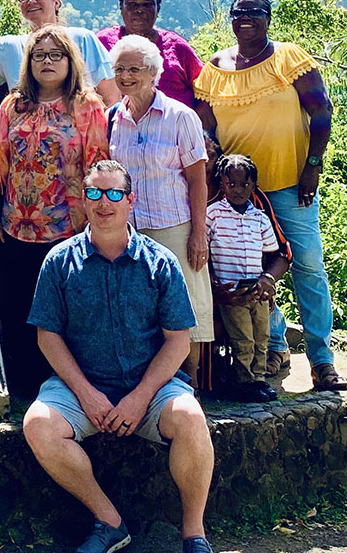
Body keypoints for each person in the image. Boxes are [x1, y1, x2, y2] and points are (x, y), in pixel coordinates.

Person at [22, 160, 214, 553]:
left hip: (150, 388)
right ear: (83, 200)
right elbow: (48, 336)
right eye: (94, 192)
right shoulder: (59, 262)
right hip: (81, 387)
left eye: (113, 194)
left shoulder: (160, 262)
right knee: (37, 424)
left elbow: (178, 341)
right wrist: (87, 394)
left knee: (192, 419)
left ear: (130, 201)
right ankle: (109, 522)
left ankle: (194, 534)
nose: (103, 202)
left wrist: (141, 396)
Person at [194, 0, 347, 391]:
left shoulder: (289, 59)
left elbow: (321, 111)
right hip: (238, 194)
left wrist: (312, 167)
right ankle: (275, 346)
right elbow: (206, 126)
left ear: (268, 18)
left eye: (255, 13)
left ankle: (321, 361)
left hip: (289, 185)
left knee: (308, 266)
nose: (246, 19)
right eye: (238, 13)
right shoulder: (215, 68)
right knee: (248, 269)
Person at [0, 23, 108, 396]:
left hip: (69, 227)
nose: (47, 62)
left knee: (65, 308)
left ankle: (65, 383)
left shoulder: (87, 106)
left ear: (71, 62)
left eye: (56, 55)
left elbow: (97, 164)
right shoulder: (13, 105)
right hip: (17, 225)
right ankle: (21, 382)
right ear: (28, 63)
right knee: (19, 302)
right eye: (39, 56)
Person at [107, 35, 212, 382]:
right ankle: (150, 387)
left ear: (154, 72)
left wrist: (199, 234)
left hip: (174, 227)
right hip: (129, 232)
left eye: (134, 68)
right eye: (120, 68)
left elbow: (198, 180)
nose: (125, 76)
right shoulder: (113, 119)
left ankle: (190, 383)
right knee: (140, 311)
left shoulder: (180, 116)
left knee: (185, 312)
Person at [203, 133, 292, 382]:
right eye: (195, 154)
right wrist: (214, 291)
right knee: (240, 337)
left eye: (209, 156)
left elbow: (281, 252)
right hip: (216, 287)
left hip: (254, 288)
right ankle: (236, 377)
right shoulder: (184, 197)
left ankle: (263, 371)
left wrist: (267, 280)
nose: (202, 161)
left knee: (260, 333)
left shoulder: (254, 204)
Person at [97, 0, 203, 107]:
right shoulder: (102, 44)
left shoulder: (178, 48)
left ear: (158, 7)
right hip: (118, 127)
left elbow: (205, 92)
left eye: (147, 4)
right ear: (121, 6)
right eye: (132, 4)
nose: (139, 10)